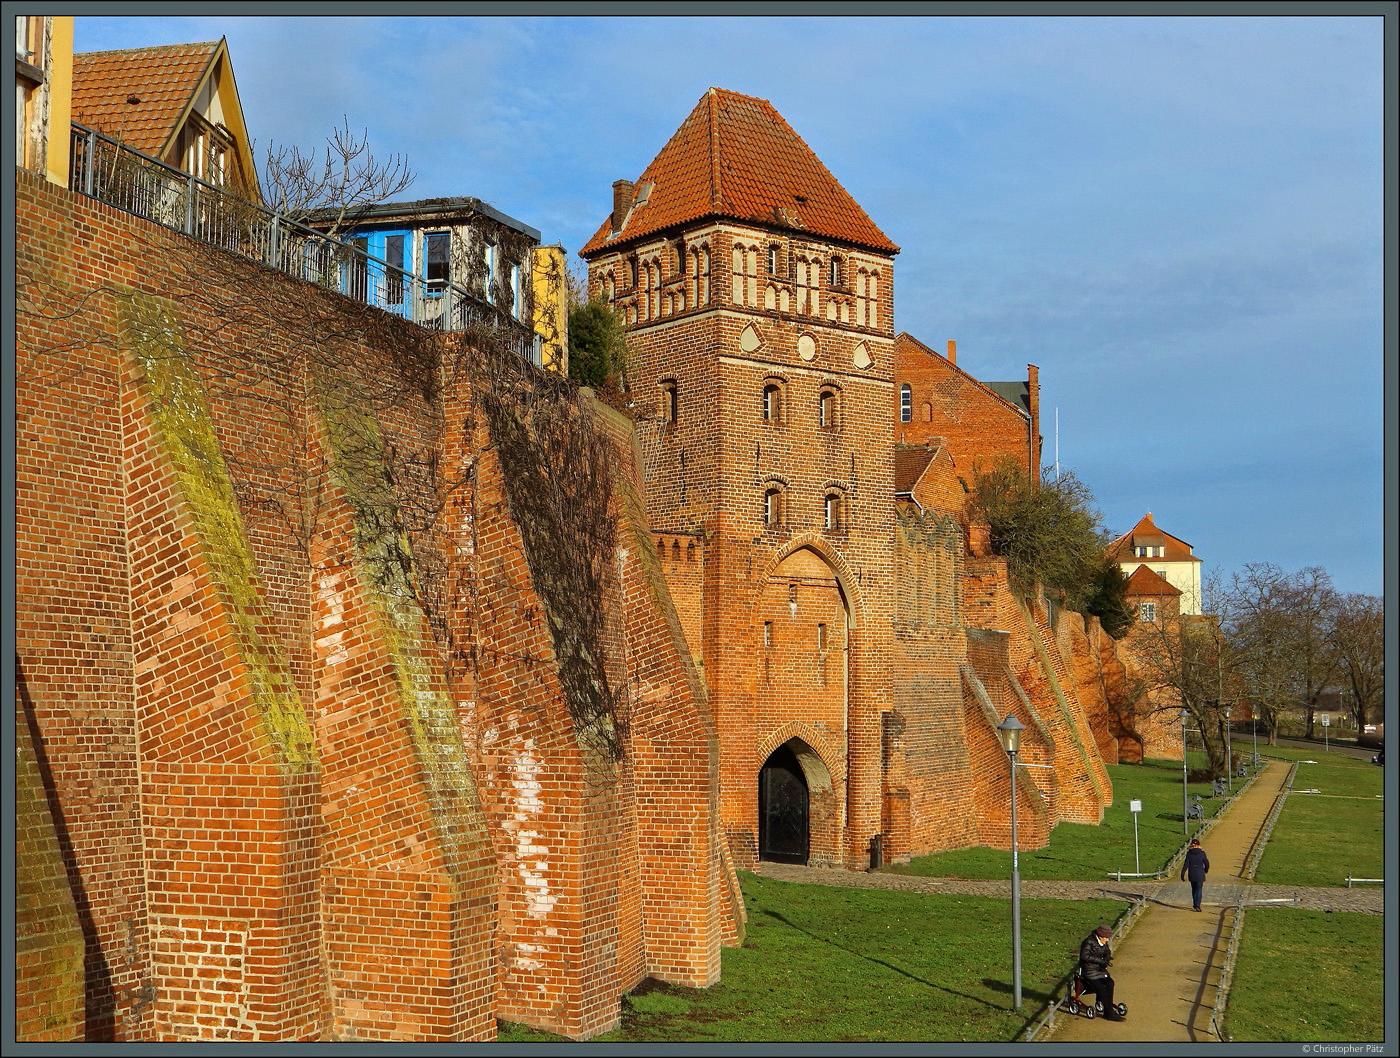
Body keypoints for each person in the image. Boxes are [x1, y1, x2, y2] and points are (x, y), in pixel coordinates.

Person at [1078, 924, 1121, 1020]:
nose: (1107, 940)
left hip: (1100, 970)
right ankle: (1109, 1012)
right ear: (1100, 936)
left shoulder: (1103, 942)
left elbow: (1107, 952)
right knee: (1101, 989)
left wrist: (1106, 959)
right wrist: (1100, 961)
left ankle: (1107, 1007)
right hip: (1089, 971)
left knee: (1110, 983)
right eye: (1106, 938)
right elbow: (1084, 956)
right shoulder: (1088, 942)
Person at [1181, 836, 1210, 911]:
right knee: (1199, 890)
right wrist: (1206, 870)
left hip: (1192, 874)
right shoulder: (1202, 853)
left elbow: (1186, 864)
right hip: (1200, 873)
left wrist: (1182, 873)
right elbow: (1206, 863)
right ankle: (1197, 905)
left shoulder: (1189, 854)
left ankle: (1195, 904)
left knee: (1194, 889)